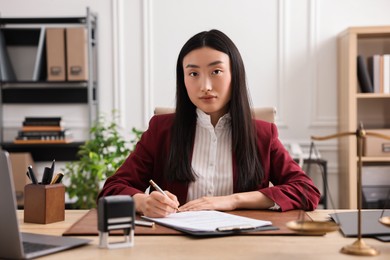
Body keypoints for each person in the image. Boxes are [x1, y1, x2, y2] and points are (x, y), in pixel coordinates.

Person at [98, 29, 321, 217]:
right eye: (193, 73)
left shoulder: (262, 134)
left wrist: (233, 201)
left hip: (245, 243)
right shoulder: (161, 130)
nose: (205, 85)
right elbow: (111, 190)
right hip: (175, 244)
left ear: (235, 75)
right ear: (183, 80)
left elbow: (306, 190)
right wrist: (142, 202)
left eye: (216, 71)